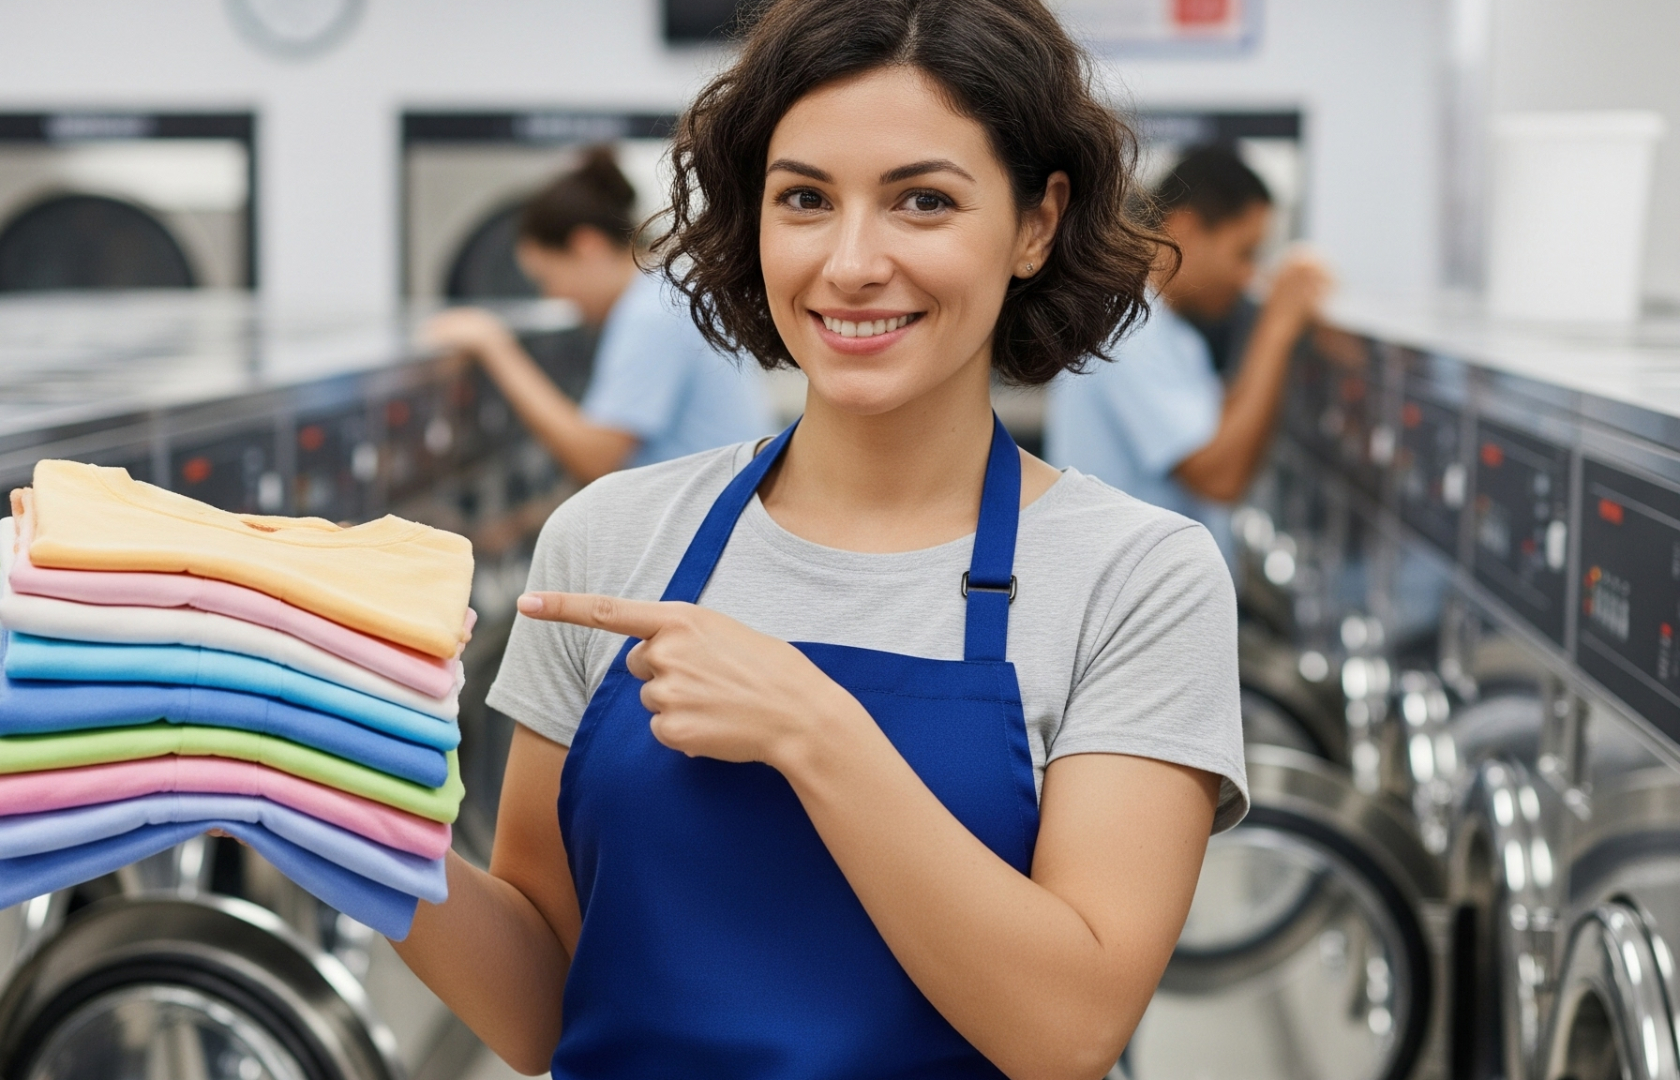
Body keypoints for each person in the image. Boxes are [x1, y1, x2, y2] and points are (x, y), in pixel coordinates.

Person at [393, 1, 1247, 1076]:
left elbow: (1068, 1031)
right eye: (804, 199)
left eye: (922, 202)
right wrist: (349, 825)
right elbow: (541, 1005)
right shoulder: (613, 537)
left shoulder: (1139, 579)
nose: (850, 264)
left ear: (1036, 223)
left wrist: (813, 731)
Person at [423, 147, 772, 483]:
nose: (552, 296)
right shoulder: (666, 289)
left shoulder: (653, 313)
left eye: (548, 278)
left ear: (587, 246)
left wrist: (495, 345)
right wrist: (521, 523)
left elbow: (596, 459)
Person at [1045, 144, 1334, 549]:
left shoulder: (1165, 329)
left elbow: (1216, 430)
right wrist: (1277, 328)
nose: (1248, 277)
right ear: (1186, 229)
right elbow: (1219, 476)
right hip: (1134, 603)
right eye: (1244, 253)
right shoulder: (1126, 329)